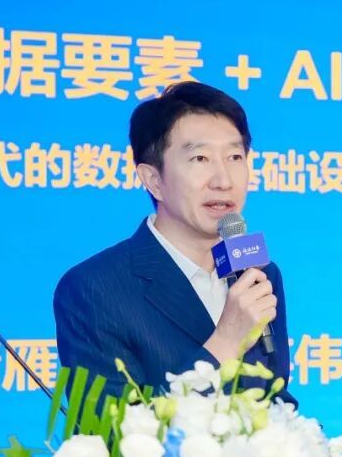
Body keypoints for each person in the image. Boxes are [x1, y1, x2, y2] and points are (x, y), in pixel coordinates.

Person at [53, 81, 294, 403]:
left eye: (235, 156)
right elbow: (113, 427)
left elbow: (273, 397)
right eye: (200, 159)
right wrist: (225, 342)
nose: (224, 181)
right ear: (154, 180)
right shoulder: (93, 288)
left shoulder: (257, 273)